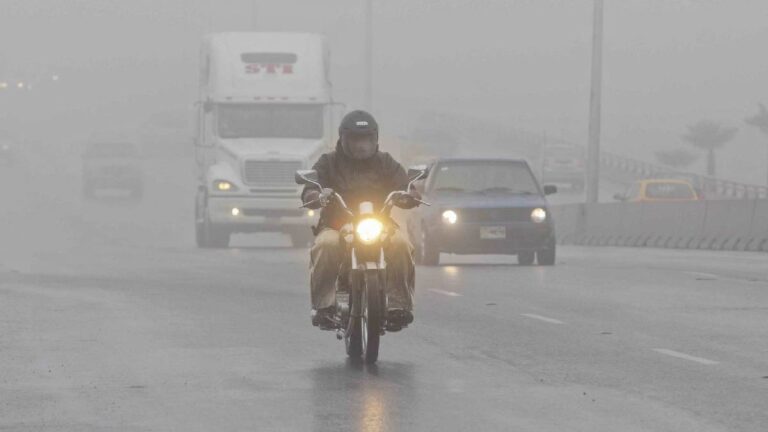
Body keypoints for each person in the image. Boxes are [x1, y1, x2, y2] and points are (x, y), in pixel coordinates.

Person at [301, 110, 421, 329]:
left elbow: (406, 187)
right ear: (344, 139)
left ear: (375, 139)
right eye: (356, 139)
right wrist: (317, 196)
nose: (362, 145)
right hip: (337, 225)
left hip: (380, 225)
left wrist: (409, 195)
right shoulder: (329, 162)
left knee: (402, 244)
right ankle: (324, 307)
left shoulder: (385, 162)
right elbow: (311, 188)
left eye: (366, 139)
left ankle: (399, 306)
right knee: (325, 245)